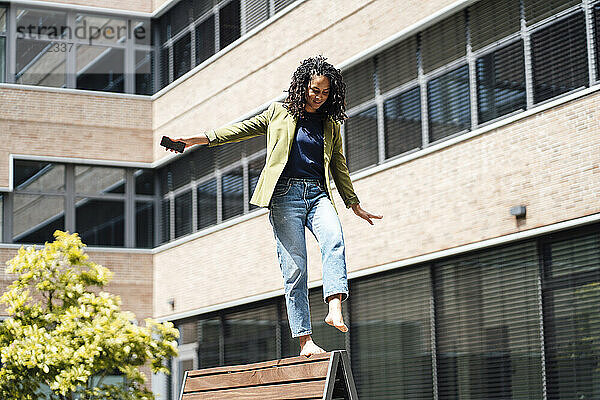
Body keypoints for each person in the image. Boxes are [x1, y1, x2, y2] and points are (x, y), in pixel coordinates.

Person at [165, 55, 382, 357]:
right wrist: (193, 140)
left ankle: (334, 307)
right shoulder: (278, 112)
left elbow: (339, 166)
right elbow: (237, 130)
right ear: (302, 86)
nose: (318, 97)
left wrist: (354, 203)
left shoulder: (331, 124)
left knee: (334, 240)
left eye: (324, 92)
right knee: (296, 268)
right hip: (285, 196)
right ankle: (306, 341)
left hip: (318, 194)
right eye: (314, 89)